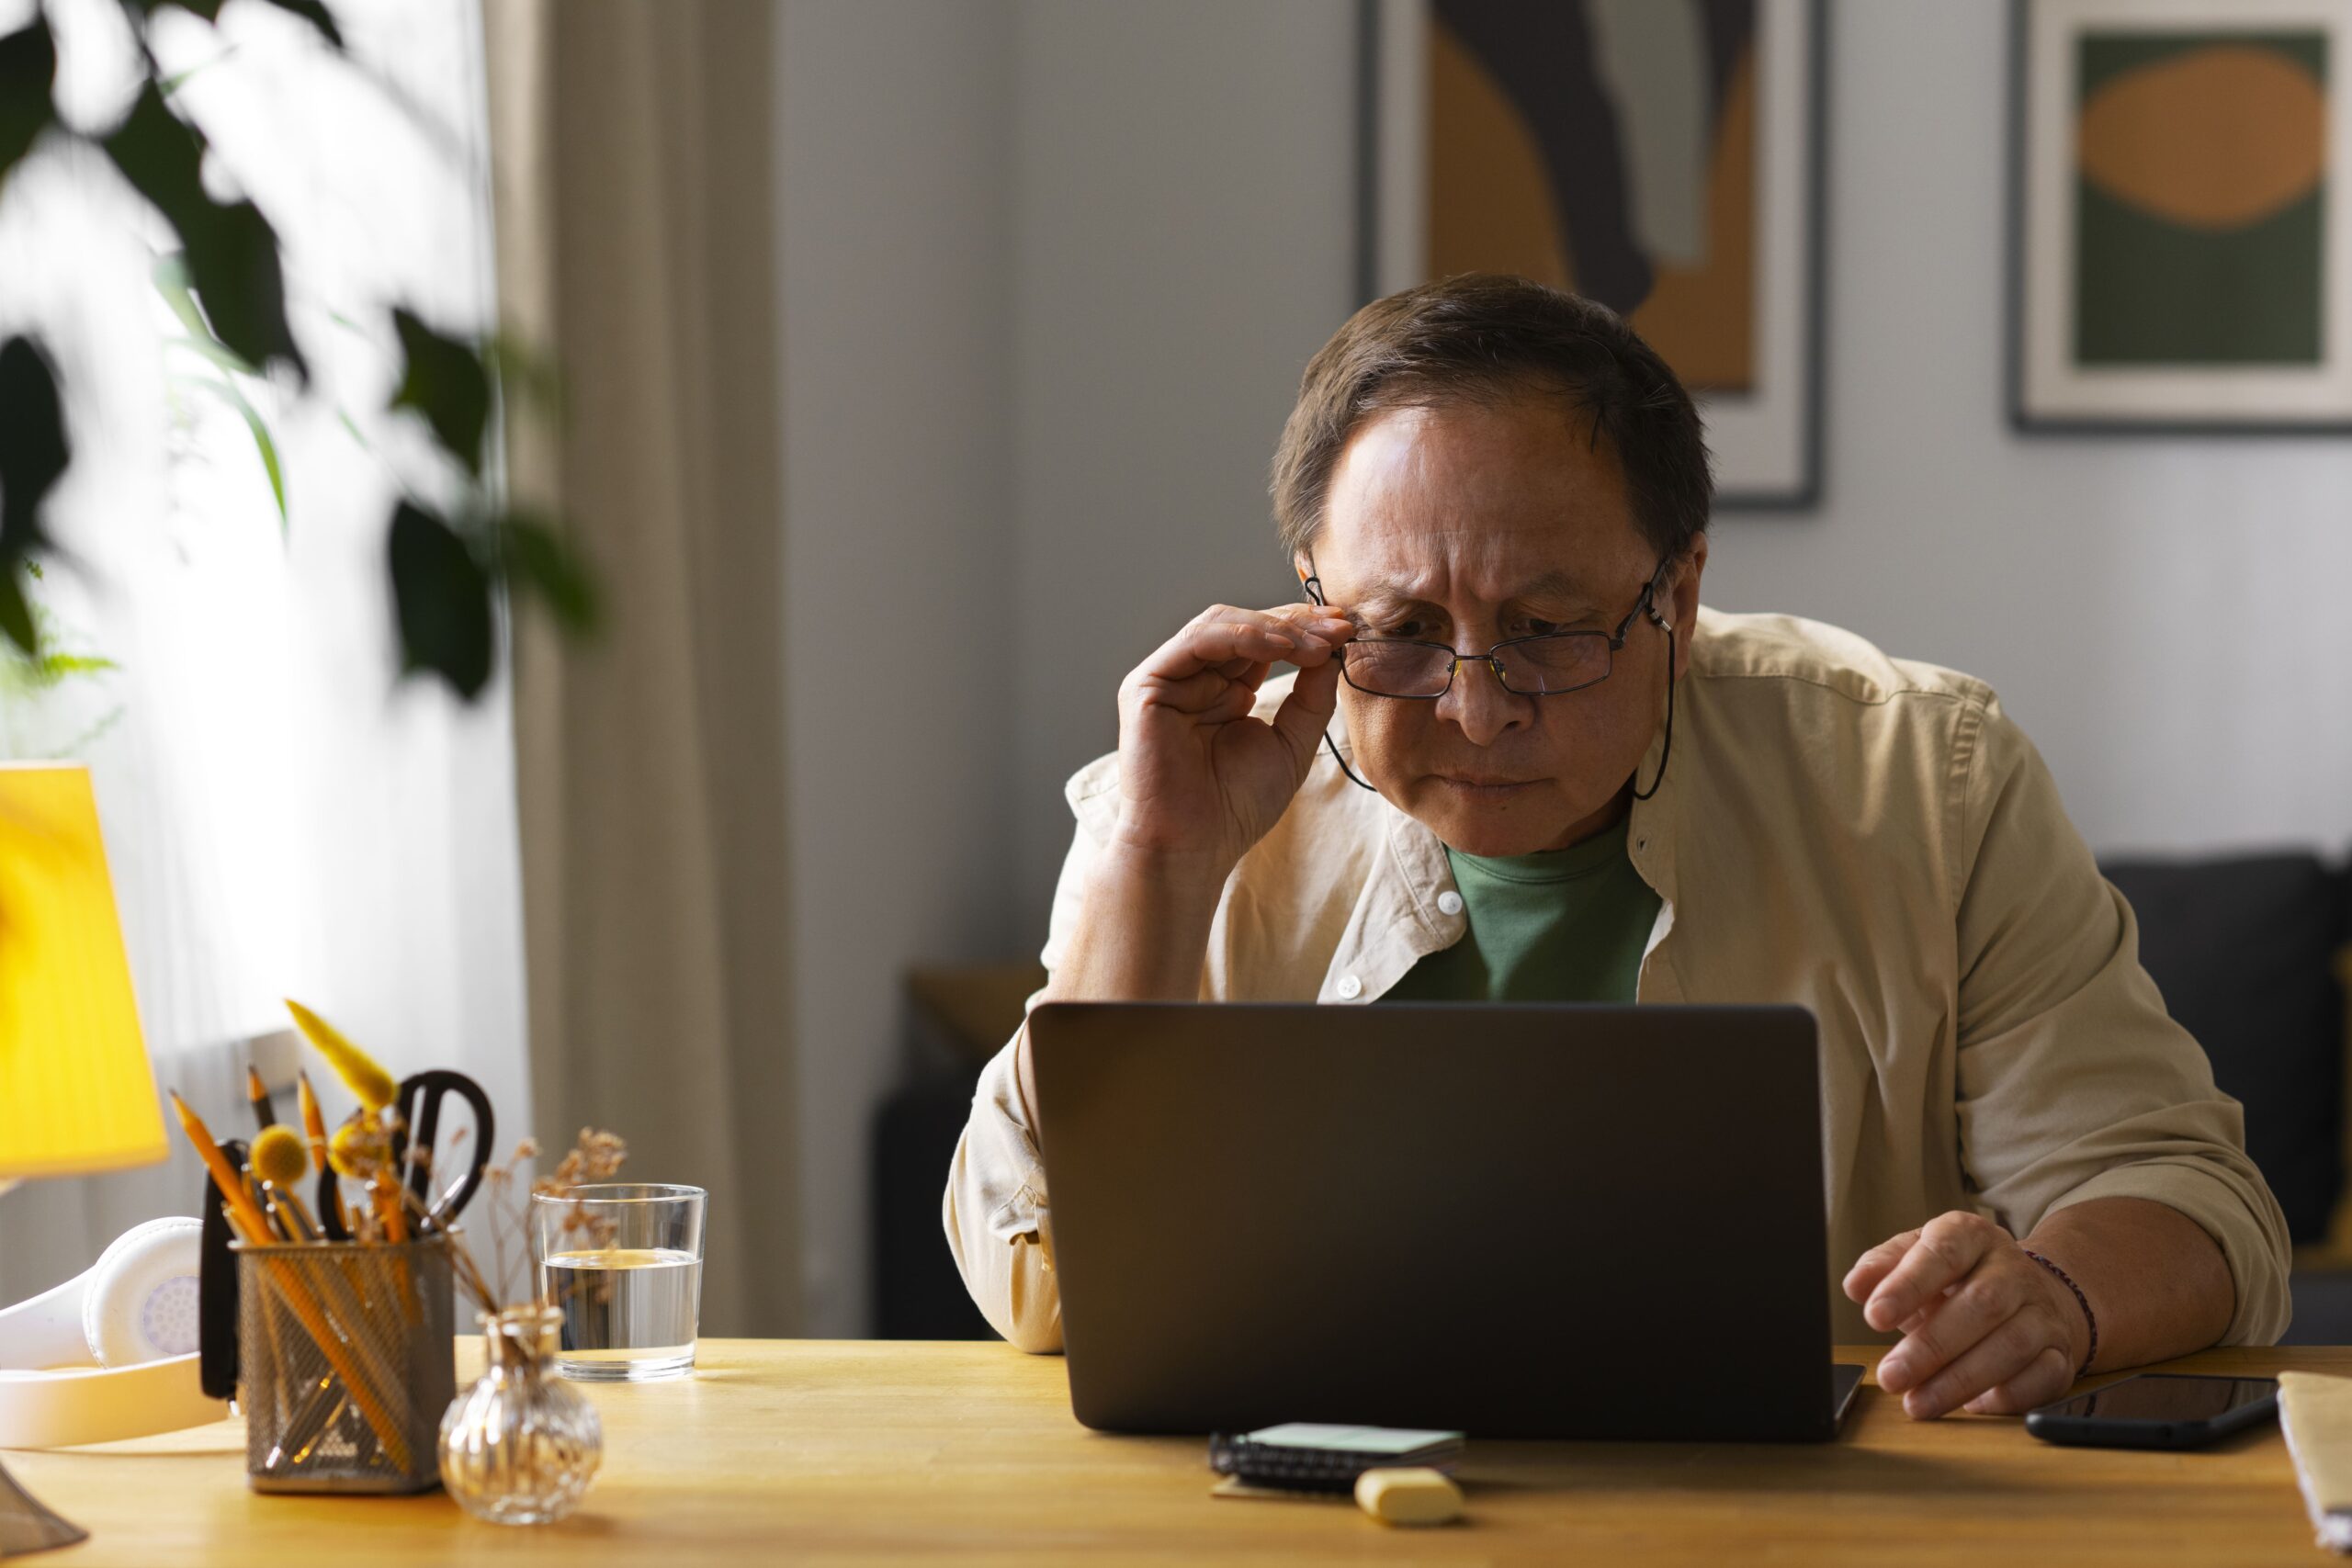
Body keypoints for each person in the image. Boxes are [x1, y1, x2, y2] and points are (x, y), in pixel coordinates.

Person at [944, 274, 2290, 1421]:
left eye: (1549, 626)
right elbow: (1049, 1285)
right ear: (1310, 596)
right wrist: (1163, 864)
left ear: (1681, 593)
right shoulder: (1192, 793)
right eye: (1400, 630)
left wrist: (2054, 1297)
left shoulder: (1919, 778)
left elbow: (2185, 1197)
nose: (1476, 710)